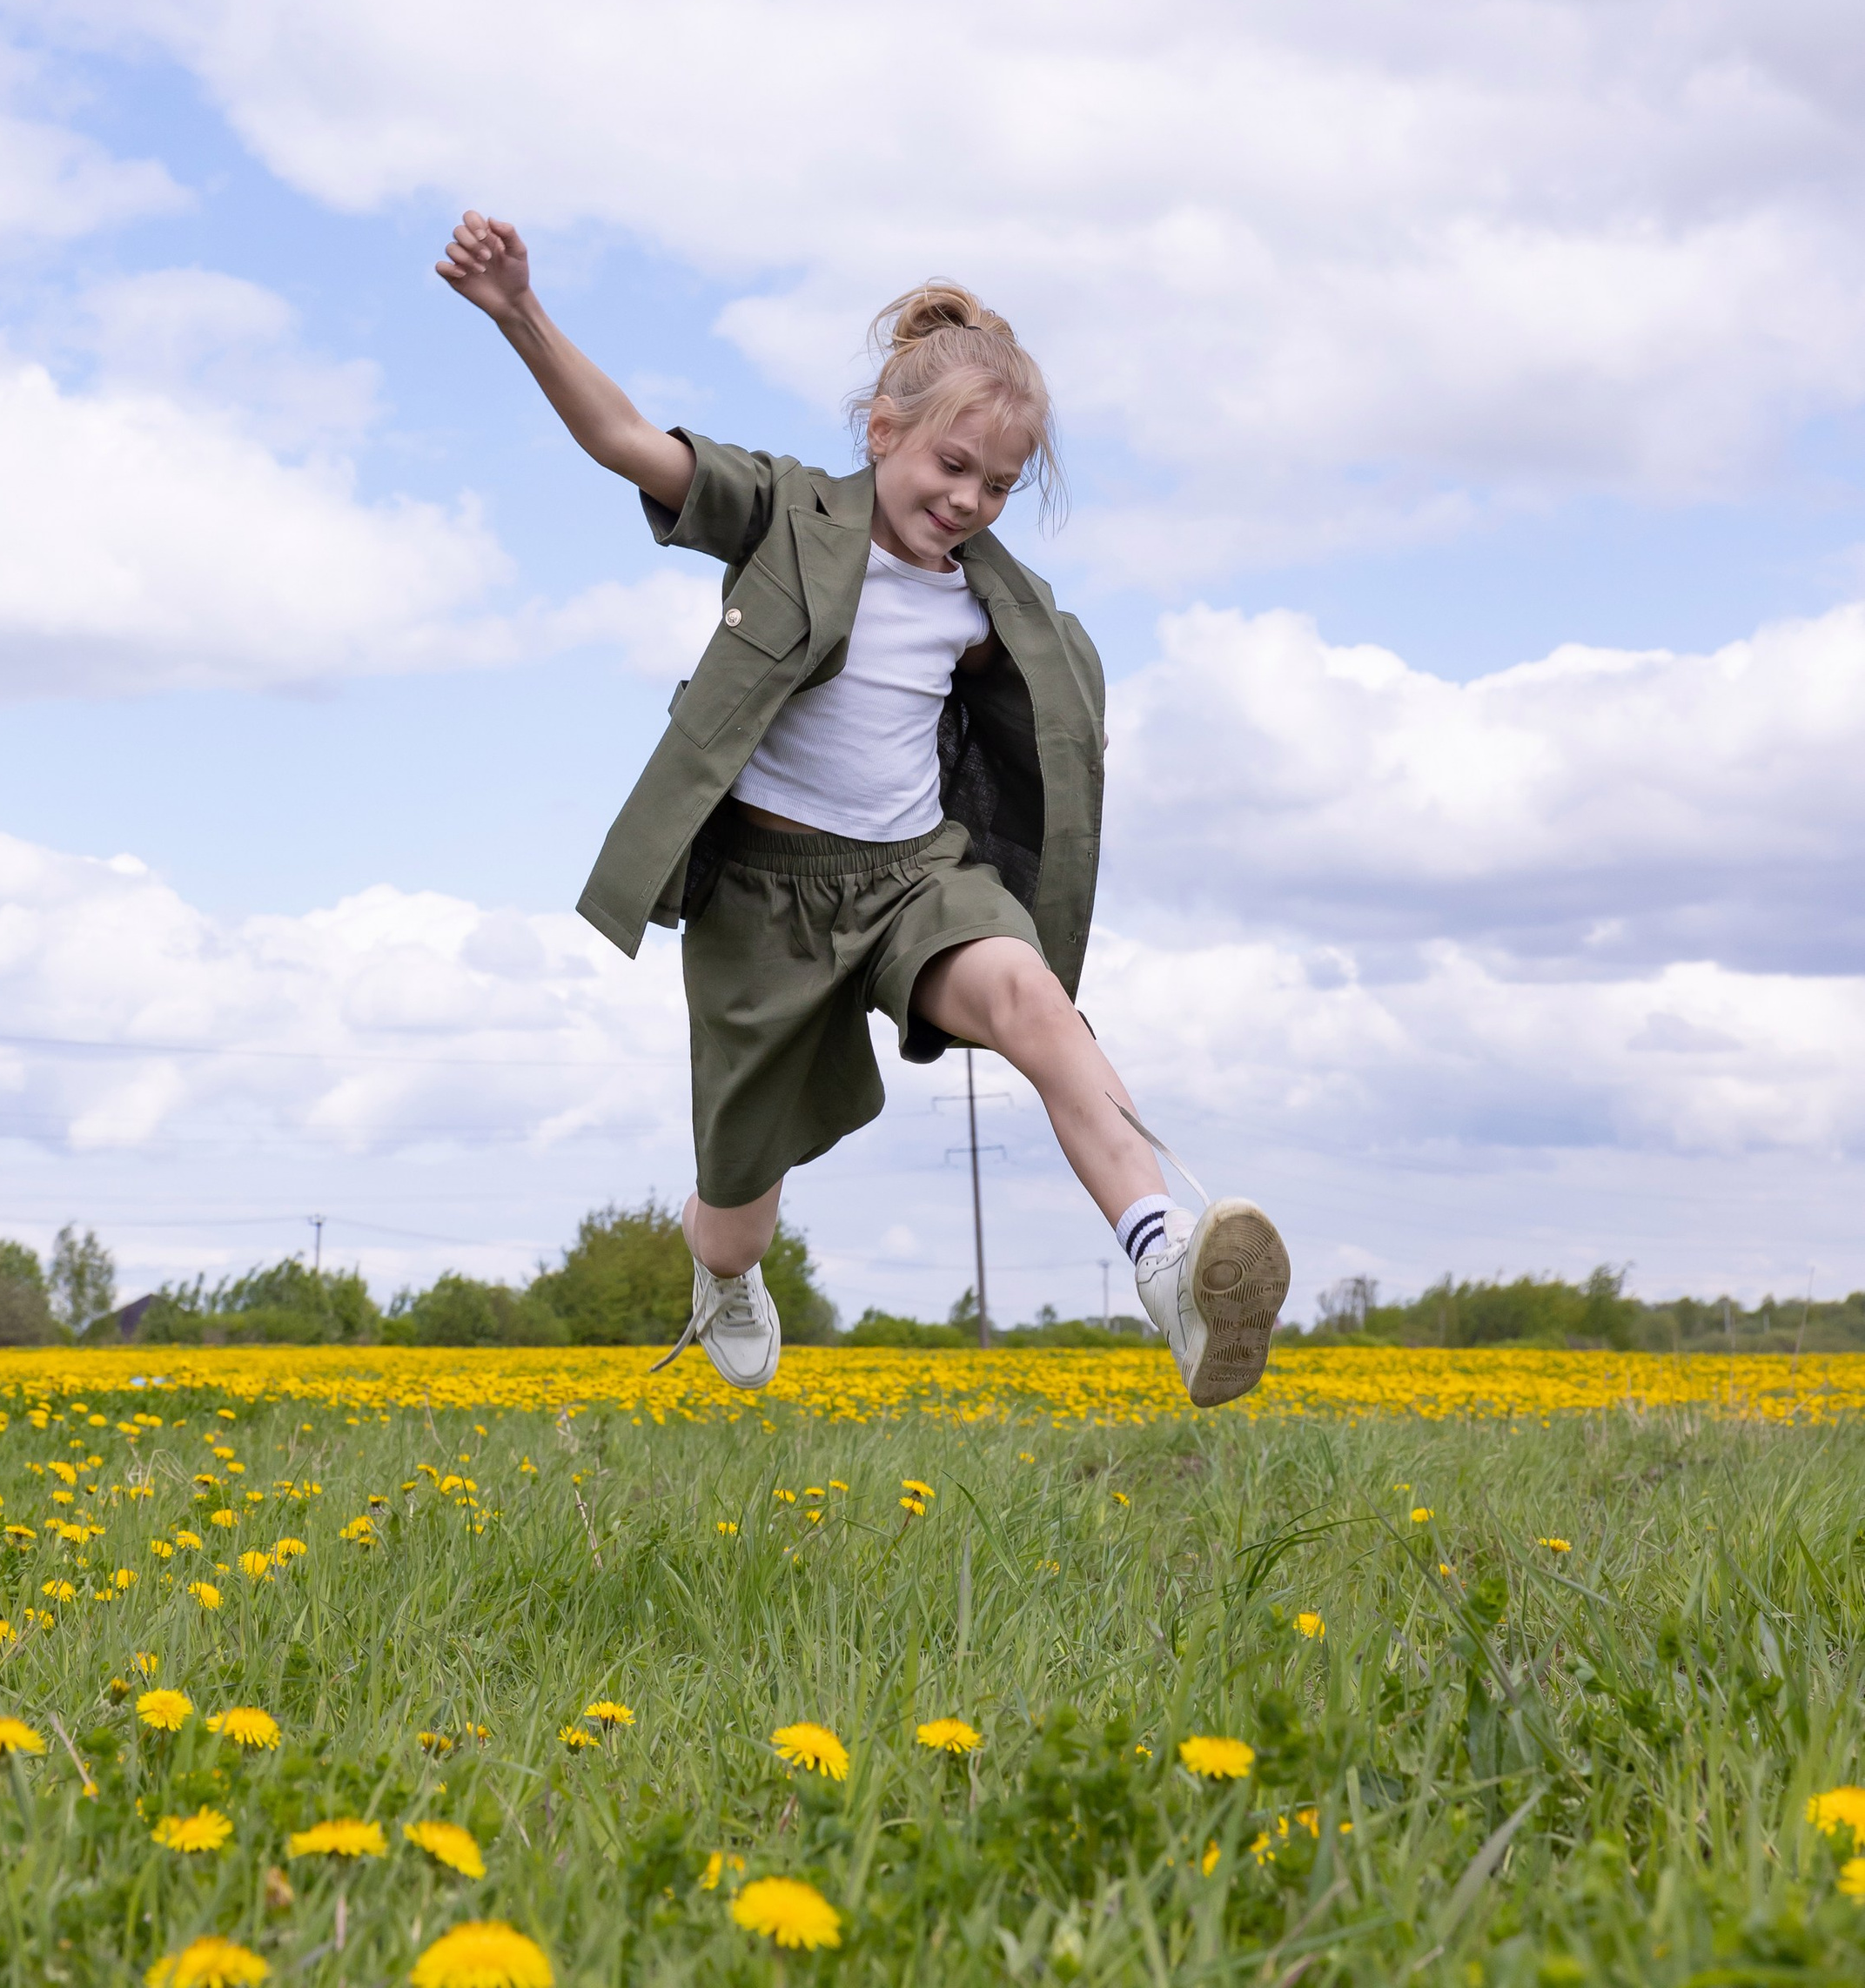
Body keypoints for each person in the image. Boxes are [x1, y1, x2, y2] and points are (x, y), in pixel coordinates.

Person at [437, 213, 1290, 1406]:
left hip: (910, 882)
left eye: (1000, 485)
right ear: (884, 431)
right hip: (762, 906)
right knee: (737, 1210)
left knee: (1036, 1004)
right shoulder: (783, 512)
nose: (971, 500)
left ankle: (1170, 1283)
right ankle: (724, 1275)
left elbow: (1046, 727)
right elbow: (625, 440)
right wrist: (519, 311)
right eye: (951, 467)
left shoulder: (1000, 604)